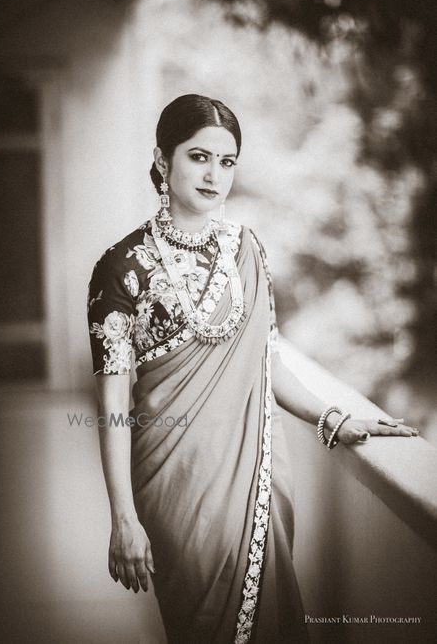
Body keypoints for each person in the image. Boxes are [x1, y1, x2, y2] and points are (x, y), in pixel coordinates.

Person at [86, 93, 419, 644]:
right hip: (172, 488)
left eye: (227, 161)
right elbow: (113, 408)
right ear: (162, 159)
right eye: (199, 156)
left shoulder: (247, 251)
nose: (215, 174)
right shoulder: (120, 269)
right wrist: (123, 517)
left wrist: (334, 419)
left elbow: (267, 361)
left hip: (252, 485)